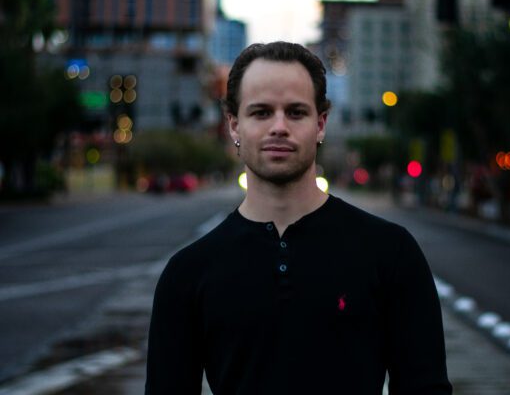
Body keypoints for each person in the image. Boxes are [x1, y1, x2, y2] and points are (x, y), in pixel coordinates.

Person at [145, 41, 452, 395]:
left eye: (295, 112)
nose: (279, 127)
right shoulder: (187, 273)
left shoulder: (391, 252)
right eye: (260, 112)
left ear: (320, 124)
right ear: (233, 125)